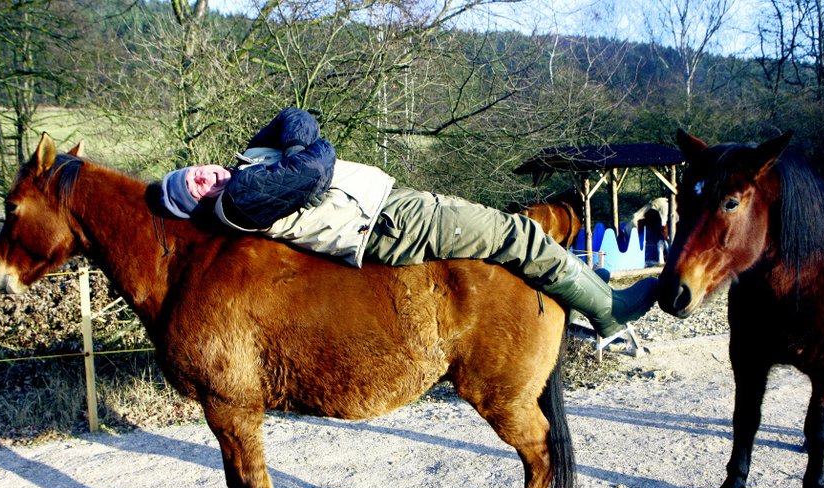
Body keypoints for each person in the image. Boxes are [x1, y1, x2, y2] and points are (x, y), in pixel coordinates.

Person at [159, 108, 657, 339]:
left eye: (192, 173)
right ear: (199, 208)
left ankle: (589, 283)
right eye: (192, 189)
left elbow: (299, 117)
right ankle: (608, 311)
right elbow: (317, 162)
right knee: (516, 233)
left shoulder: (246, 165)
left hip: (393, 202)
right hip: (387, 223)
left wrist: (298, 149)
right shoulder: (239, 201)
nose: (200, 177)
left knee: (505, 232)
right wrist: (302, 155)